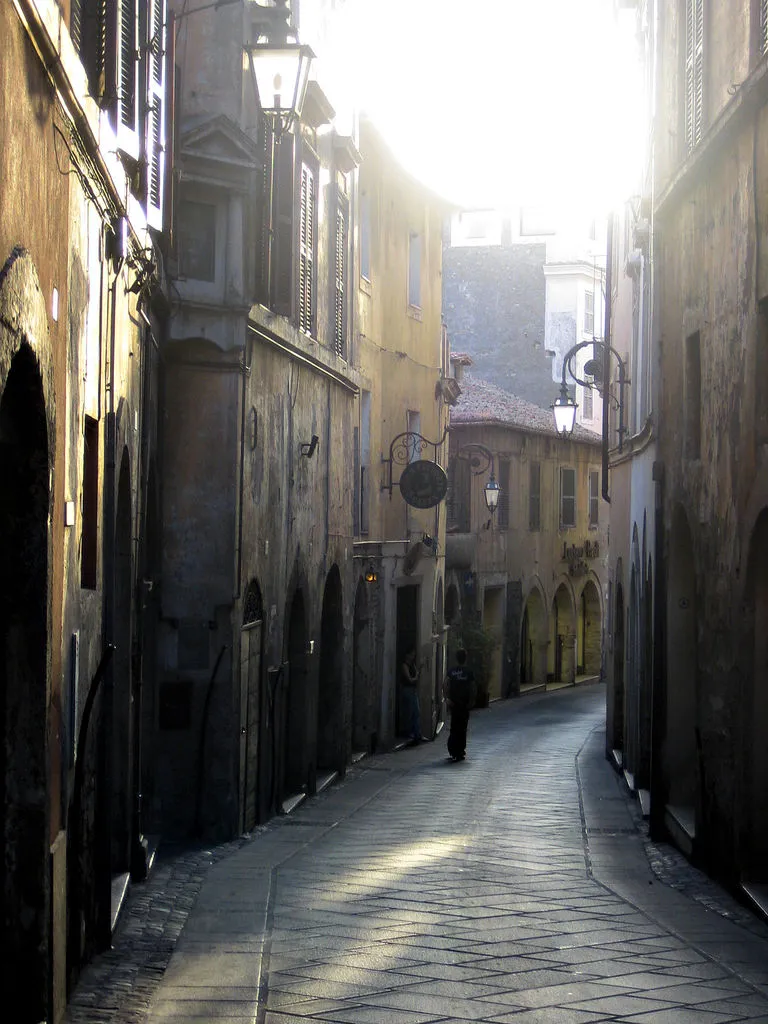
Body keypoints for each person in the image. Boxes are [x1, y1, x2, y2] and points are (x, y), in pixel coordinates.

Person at [443, 649, 476, 761]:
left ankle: (453, 749)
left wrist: (446, 698)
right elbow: (472, 688)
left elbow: (445, 684)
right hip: (464, 704)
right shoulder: (469, 672)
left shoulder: (451, 671)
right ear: (465, 658)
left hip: (454, 703)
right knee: (462, 727)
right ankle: (460, 750)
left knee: (454, 726)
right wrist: (472, 701)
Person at [400, 648, 422, 744]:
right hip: (407, 690)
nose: (413, 657)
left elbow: (416, 674)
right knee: (413, 713)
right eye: (412, 655)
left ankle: (415, 734)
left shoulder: (412, 664)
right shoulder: (404, 665)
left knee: (415, 712)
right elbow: (410, 679)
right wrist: (416, 677)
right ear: (407, 655)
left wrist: (419, 671)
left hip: (413, 690)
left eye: (414, 655)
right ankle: (414, 735)